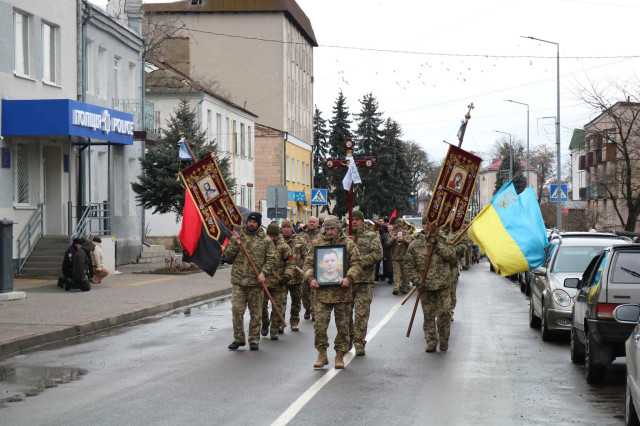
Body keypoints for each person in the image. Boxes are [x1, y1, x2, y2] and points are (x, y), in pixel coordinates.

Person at [304, 215, 362, 369]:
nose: (330, 232)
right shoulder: (317, 243)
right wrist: (310, 278)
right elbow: (308, 264)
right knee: (320, 326)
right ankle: (322, 354)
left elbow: (357, 263)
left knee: (343, 327)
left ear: (338, 228)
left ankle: (339, 354)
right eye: (327, 229)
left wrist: (349, 277)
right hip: (322, 294)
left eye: (333, 229)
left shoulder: (348, 244)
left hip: (342, 293)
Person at [225, 212, 276, 351]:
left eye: (254, 222)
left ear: (258, 224)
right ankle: (239, 338)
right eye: (249, 221)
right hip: (239, 282)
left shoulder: (266, 241)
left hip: (256, 284)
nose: (251, 224)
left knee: (256, 314)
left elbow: (271, 260)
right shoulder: (239, 236)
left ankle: (253, 339)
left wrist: (264, 273)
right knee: (236, 310)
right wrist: (234, 242)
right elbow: (227, 255)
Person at [405, 217, 457, 352]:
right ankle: (431, 341)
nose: (426, 226)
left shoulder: (443, 240)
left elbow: (452, 258)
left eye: (429, 223)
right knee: (428, 316)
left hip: (442, 285)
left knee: (444, 313)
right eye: (424, 223)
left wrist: (437, 245)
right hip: (425, 286)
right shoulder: (415, 244)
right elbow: (409, 265)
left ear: (435, 225)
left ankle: (444, 340)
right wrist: (417, 281)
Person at [349, 210, 383, 356]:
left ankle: (359, 342)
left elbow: (378, 254)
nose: (354, 222)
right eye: (352, 219)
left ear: (362, 221)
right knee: (345, 314)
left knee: (361, 314)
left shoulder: (372, 235)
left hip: (364, 280)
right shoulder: (343, 235)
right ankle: (348, 339)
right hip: (347, 281)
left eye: (357, 219)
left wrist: (359, 261)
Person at [261, 223, 295, 340]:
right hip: (264, 282)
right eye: (270, 236)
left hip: (279, 282)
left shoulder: (284, 247)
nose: (272, 238)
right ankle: (265, 322)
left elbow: (291, 263)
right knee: (261, 305)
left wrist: (287, 276)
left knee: (278, 307)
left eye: (274, 236)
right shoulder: (262, 245)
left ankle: (274, 329)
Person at [281, 220, 304, 331]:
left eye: (288, 227)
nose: (286, 230)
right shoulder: (278, 241)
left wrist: (305, 269)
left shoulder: (299, 240)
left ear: (292, 228)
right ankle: (280, 323)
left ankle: (294, 321)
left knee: (296, 301)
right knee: (281, 302)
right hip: (282, 277)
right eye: (284, 227)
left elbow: (306, 256)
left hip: (296, 276)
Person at [298, 216, 322, 320]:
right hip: (304, 268)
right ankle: (307, 308)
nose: (311, 223)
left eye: (314, 222)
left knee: (315, 291)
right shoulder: (301, 235)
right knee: (304, 291)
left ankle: (314, 311)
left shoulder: (322, 235)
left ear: (318, 224)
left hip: (318, 267)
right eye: (310, 221)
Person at [386, 217, 413, 295]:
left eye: (400, 229)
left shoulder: (406, 234)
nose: (399, 231)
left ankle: (404, 288)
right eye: (398, 229)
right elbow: (387, 244)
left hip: (405, 258)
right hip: (395, 257)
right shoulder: (392, 234)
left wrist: (403, 239)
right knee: (397, 274)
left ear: (403, 229)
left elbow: (411, 244)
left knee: (405, 274)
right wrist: (395, 238)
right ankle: (396, 288)